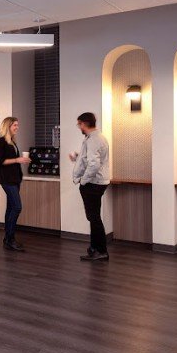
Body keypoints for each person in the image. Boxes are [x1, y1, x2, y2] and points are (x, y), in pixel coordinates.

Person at [70, 112, 110, 261]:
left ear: (84, 124)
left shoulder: (93, 140)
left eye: (79, 124)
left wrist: (83, 181)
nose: (79, 127)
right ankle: (94, 248)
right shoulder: (97, 138)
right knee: (93, 217)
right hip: (98, 182)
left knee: (94, 218)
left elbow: (94, 165)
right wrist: (78, 157)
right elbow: (91, 159)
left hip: (93, 183)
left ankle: (101, 251)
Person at [0, 117, 31, 251]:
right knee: (17, 207)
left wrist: (20, 160)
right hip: (6, 179)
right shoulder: (0, 141)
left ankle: (7, 239)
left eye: (17, 125)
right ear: (7, 126)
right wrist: (17, 160)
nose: (17, 127)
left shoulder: (12, 141)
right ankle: (10, 239)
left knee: (10, 208)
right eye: (15, 125)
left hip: (15, 179)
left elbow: (12, 160)